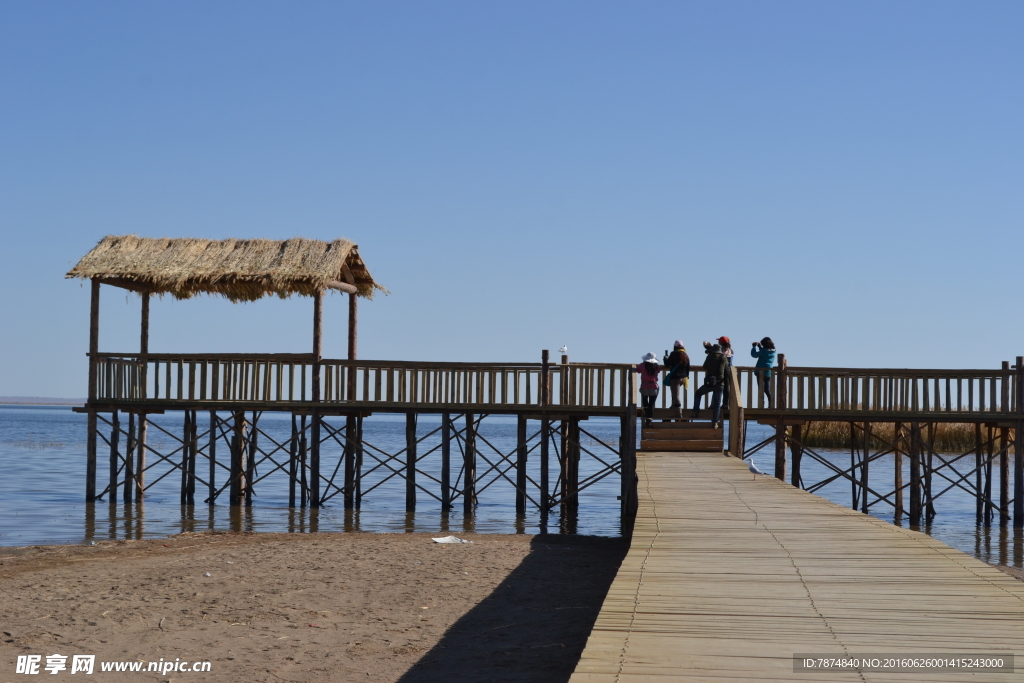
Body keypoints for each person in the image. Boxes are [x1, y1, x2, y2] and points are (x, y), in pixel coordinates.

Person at [693, 344, 728, 427]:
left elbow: (704, 366)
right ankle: (715, 422)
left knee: (698, 393)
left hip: (710, 382)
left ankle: (696, 411)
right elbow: (723, 368)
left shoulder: (709, 357)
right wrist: (719, 379)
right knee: (717, 403)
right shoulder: (723, 358)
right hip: (720, 383)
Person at [663, 340, 691, 415]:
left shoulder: (673, 354)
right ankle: (673, 405)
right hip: (683, 377)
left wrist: (665, 358)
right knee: (675, 392)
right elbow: (688, 367)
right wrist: (687, 376)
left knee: (676, 394)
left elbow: (667, 364)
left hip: (675, 377)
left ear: (675, 346)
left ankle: (679, 410)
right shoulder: (685, 355)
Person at [703, 336, 733, 405]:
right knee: (726, 387)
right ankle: (726, 404)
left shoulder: (720, 348)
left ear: (720, 342)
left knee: (716, 386)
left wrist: (709, 349)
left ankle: (713, 405)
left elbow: (709, 351)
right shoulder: (730, 350)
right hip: (728, 369)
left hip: (720, 369)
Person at [635, 352, 661, 425]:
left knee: (645, 402)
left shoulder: (642, 365)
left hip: (644, 386)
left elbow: (638, 370)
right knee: (652, 403)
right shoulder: (656, 366)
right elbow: (659, 371)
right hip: (654, 386)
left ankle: (646, 415)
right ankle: (650, 418)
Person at [751, 337, 777, 404]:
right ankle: (771, 402)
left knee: (761, 388)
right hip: (768, 371)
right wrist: (760, 347)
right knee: (767, 389)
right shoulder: (774, 351)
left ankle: (761, 402)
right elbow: (764, 352)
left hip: (760, 371)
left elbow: (754, 355)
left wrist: (754, 347)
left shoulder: (763, 351)